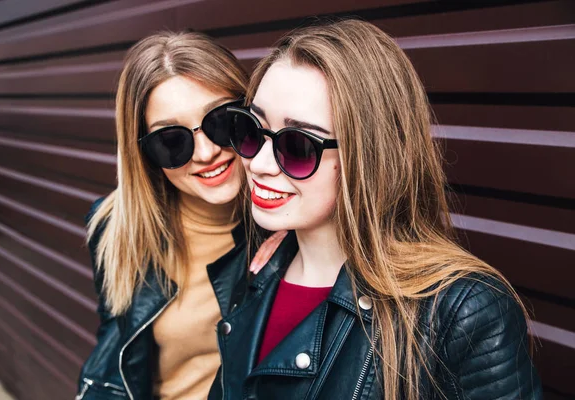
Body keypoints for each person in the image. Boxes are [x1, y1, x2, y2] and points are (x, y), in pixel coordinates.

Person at [212, 20, 542, 400]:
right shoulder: (255, 273)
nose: (259, 164)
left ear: (369, 156)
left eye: (297, 146)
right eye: (252, 129)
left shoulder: (460, 313)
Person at [77, 31, 265, 400]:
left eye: (220, 120)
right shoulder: (115, 227)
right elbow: (117, 353)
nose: (207, 152)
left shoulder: (291, 227)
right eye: (172, 139)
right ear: (143, 152)